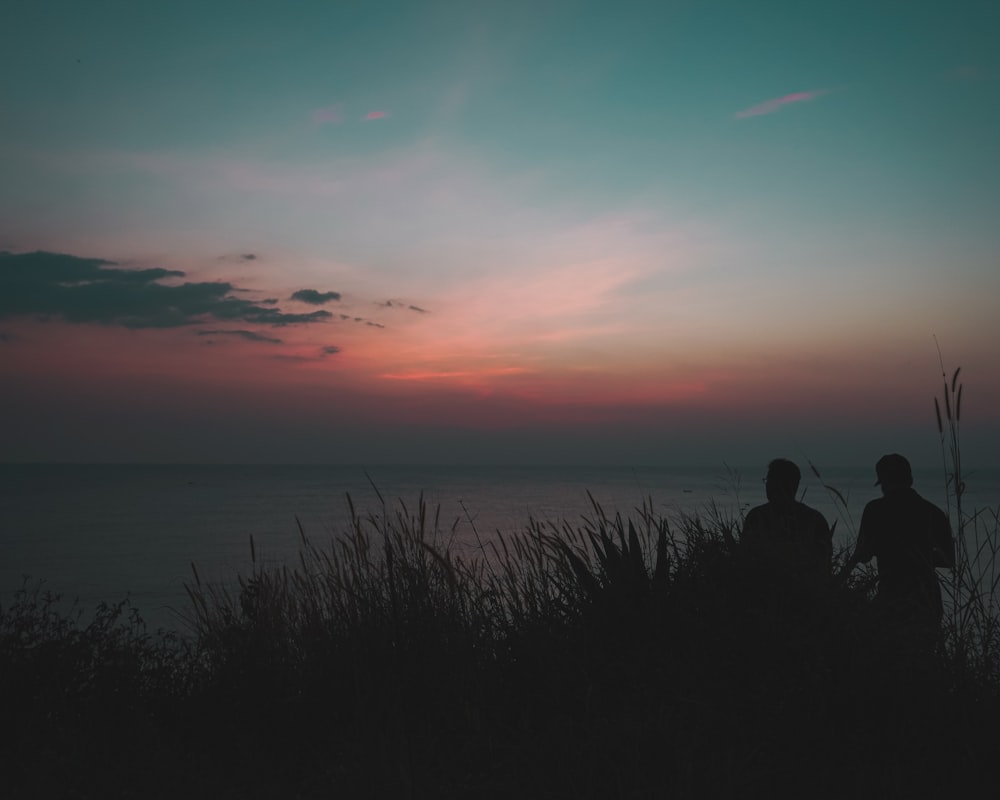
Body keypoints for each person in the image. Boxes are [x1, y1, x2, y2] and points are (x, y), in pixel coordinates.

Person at [842, 453, 955, 626]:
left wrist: (839, 580)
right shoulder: (934, 512)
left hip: (891, 595)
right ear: (910, 479)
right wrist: (920, 556)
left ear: (883, 482)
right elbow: (949, 560)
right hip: (929, 600)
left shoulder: (875, 509)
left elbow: (863, 555)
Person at [740, 458, 833, 583]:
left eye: (770, 480)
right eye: (767, 481)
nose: (767, 485)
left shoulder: (757, 517)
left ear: (789, 485)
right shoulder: (816, 519)